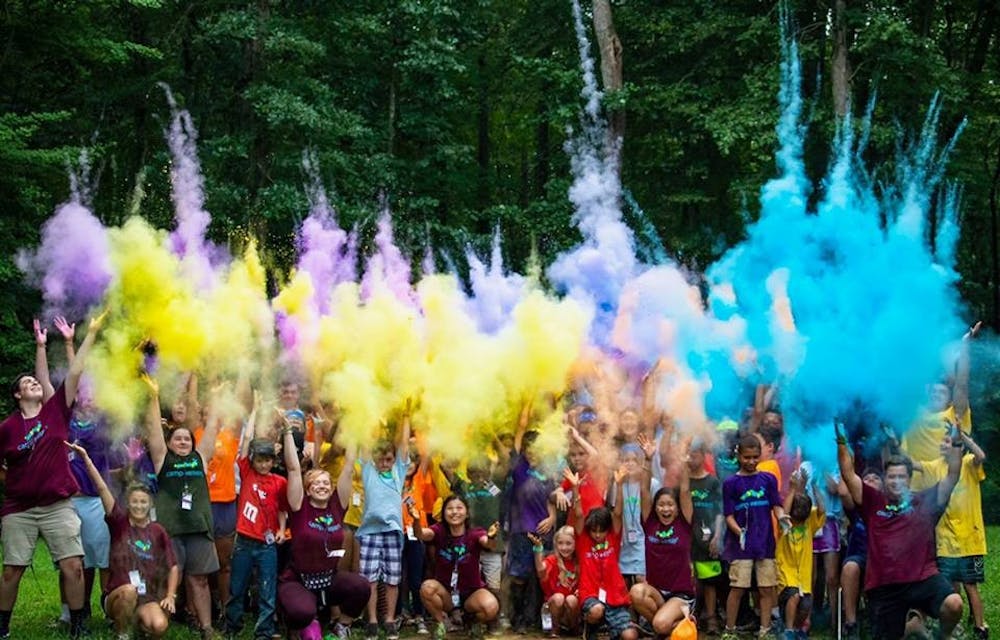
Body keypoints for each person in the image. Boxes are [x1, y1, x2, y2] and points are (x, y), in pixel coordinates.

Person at [0, 313, 103, 639]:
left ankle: (78, 624)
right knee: (11, 571)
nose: (34, 383)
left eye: (35, 381)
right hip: (19, 509)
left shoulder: (55, 413)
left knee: (73, 566)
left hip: (58, 505)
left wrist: (87, 335)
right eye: (26, 383)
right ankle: (2, 626)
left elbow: (74, 372)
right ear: (17, 395)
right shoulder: (7, 428)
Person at [835, 421, 964, 640]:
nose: (896, 482)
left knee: (954, 604)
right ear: (885, 479)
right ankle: (910, 627)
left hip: (923, 578)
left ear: (909, 479)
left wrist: (957, 443)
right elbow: (848, 473)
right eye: (892, 477)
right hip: (886, 585)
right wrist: (841, 439)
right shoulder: (872, 501)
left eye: (901, 477)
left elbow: (952, 475)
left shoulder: (924, 501)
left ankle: (942, 636)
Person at [65, 441, 178, 640]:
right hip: (119, 594)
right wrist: (86, 459)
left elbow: (173, 566)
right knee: (129, 591)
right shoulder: (119, 521)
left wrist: (170, 595)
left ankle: (138, 621)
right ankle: (122, 633)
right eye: (134, 501)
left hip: (147, 597)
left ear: (150, 503)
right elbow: (101, 488)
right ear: (128, 502)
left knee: (159, 627)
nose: (139, 506)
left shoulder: (157, 530)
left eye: (143, 502)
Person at [143, 374, 221, 639]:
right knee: (166, 581)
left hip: (199, 529)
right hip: (170, 531)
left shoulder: (201, 458)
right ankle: (157, 625)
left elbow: (210, 429)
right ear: (169, 443)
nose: (183, 442)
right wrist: (153, 396)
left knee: (198, 580)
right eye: (178, 438)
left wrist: (218, 399)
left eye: (187, 439)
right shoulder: (162, 459)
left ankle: (207, 628)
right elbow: (154, 428)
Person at [278, 436, 369, 640]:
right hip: (298, 581)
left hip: (329, 580)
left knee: (361, 586)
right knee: (303, 613)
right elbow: (293, 468)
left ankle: (342, 625)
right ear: (308, 489)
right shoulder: (299, 508)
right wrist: (287, 433)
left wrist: (354, 428)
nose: (322, 486)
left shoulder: (337, 505)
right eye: (316, 483)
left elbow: (348, 467)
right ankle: (296, 627)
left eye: (326, 483)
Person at [910, 428, 988, 640]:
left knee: (971, 584)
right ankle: (955, 625)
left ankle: (981, 627)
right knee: (950, 584)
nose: (942, 444)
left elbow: (982, 456)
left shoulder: (968, 462)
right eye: (941, 442)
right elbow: (912, 464)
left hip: (971, 539)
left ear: (958, 446)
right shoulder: (934, 466)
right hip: (944, 539)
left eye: (947, 441)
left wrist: (963, 437)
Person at [224, 411, 290, 640]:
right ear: (252, 460)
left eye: (268, 460)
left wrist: (282, 529)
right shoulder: (247, 472)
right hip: (243, 540)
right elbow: (244, 443)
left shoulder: (279, 482)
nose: (263, 464)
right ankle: (232, 625)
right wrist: (253, 413)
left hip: (267, 544)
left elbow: (283, 508)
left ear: (274, 461)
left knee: (267, 588)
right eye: (259, 460)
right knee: (237, 586)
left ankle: (264, 630)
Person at [721, 435, 790, 640]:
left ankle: (765, 630)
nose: (751, 461)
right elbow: (729, 516)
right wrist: (738, 531)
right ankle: (730, 630)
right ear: (738, 455)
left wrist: (781, 517)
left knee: (766, 588)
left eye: (755, 457)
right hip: (740, 546)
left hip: (765, 542)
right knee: (738, 588)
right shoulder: (731, 483)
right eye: (746, 457)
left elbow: (775, 504)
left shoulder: (768, 479)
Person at [349, 410, 411, 640]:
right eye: (380, 458)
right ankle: (372, 620)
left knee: (393, 578)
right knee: (370, 579)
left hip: (394, 532)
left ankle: (390, 619)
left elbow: (403, 443)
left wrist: (406, 416)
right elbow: (365, 442)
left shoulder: (398, 472)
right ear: (373, 458)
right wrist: (365, 406)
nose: (384, 463)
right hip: (369, 533)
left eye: (388, 459)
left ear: (394, 459)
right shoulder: (368, 469)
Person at [629, 437, 697, 638]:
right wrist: (648, 460)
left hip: (680, 594)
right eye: (661, 505)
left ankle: (676, 621)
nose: (665, 509)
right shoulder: (650, 522)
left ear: (677, 509)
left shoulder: (684, 523)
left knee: (659, 624)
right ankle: (671, 626)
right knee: (636, 592)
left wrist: (683, 458)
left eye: (670, 505)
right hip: (657, 591)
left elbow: (684, 490)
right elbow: (643, 491)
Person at [413, 494, 501, 640]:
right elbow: (421, 534)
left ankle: (472, 622)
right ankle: (441, 624)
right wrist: (416, 521)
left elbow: (488, 544)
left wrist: (491, 536)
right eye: (450, 509)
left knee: (491, 607)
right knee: (427, 587)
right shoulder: (439, 530)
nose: (454, 512)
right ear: (444, 513)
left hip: (471, 593)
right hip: (446, 593)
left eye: (459, 508)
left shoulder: (474, 533)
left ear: (466, 513)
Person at [568, 467, 637, 640]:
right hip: (591, 595)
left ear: (608, 529)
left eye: (601, 531)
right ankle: (591, 625)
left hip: (615, 597)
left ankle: (610, 627)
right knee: (596, 610)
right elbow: (577, 514)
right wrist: (576, 489)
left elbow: (618, 513)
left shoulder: (613, 537)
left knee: (630, 636)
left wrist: (619, 486)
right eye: (594, 531)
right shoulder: (583, 540)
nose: (597, 535)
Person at [507, 403, 557, 634]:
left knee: (540, 576)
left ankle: (534, 618)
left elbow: (551, 499)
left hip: (543, 530)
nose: (530, 450)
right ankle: (516, 618)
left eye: (535, 446)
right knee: (520, 576)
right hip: (521, 530)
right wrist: (526, 401)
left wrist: (552, 518)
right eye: (527, 447)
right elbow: (520, 430)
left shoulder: (548, 470)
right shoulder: (519, 466)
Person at [775, 468, 825, 640]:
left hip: (803, 577)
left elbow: (822, 510)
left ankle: (797, 630)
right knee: (794, 596)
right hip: (786, 573)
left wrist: (815, 487)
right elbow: (786, 511)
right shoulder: (785, 524)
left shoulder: (809, 523)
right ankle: (788, 631)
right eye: (798, 504)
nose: (802, 507)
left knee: (805, 605)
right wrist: (792, 490)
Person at [687, 438, 724, 635]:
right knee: (695, 579)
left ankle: (711, 618)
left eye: (695, 455)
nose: (691, 459)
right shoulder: (684, 482)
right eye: (689, 455)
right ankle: (694, 616)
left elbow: (719, 511)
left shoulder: (712, 482)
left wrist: (718, 536)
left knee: (710, 580)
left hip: (708, 537)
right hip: (690, 537)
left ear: (703, 456)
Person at [528, 527, 580, 637]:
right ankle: (554, 630)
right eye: (560, 543)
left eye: (568, 543)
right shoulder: (552, 559)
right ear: (556, 544)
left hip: (573, 610)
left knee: (571, 599)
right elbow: (541, 571)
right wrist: (538, 549)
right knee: (559, 597)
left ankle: (575, 629)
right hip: (553, 608)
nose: (564, 547)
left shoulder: (580, 562)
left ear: (576, 544)